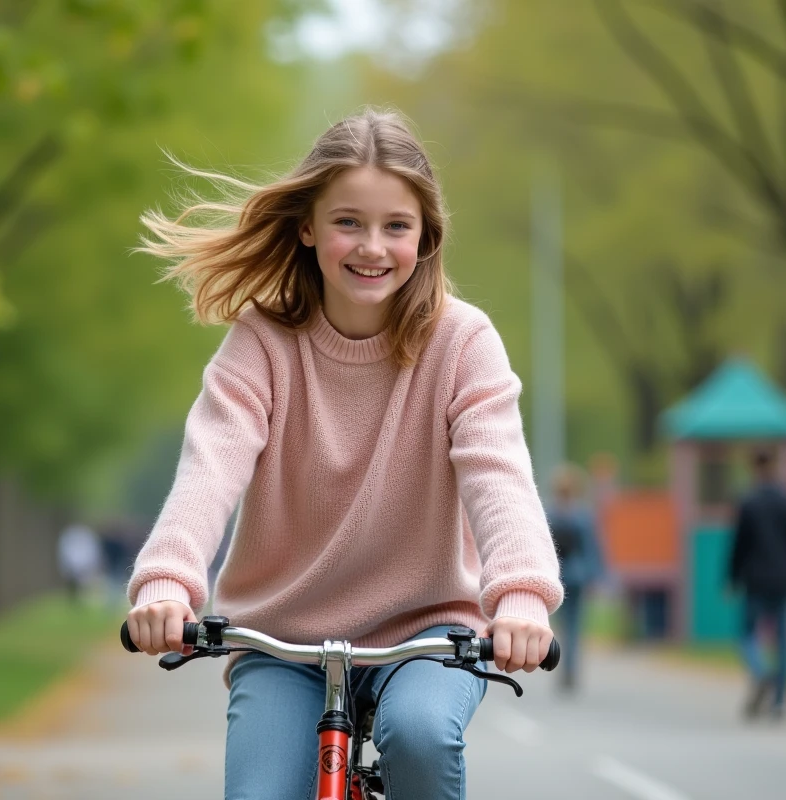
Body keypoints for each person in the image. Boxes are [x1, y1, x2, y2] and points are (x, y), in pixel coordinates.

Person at [125, 107, 563, 800]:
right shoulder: (262, 342)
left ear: (426, 236)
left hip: (428, 634)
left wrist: (521, 595)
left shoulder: (463, 343)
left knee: (421, 735)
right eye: (349, 222)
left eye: (397, 226)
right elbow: (211, 465)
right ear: (308, 227)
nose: (372, 246)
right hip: (282, 638)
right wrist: (167, 582)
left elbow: (498, 473)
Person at [727, 447, 786, 720]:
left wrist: (732, 577)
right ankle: (779, 701)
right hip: (784, 578)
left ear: (754, 468)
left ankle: (761, 671)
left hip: (755, 579)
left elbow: (739, 545)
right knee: (784, 640)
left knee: (747, 633)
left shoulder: (748, 503)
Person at [546, 464, 606, 693]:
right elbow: (592, 549)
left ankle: (562, 666)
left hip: (558, 576)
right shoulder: (583, 516)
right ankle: (571, 669)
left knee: (562, 625)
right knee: (574, 626)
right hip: (578, 576)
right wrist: (596, 575)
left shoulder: (549, 514)